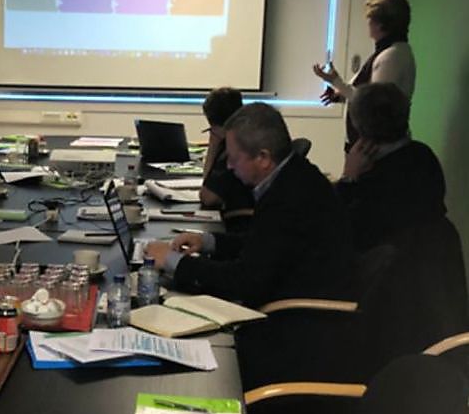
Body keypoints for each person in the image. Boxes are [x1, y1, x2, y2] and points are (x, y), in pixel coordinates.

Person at [145, 103, 354, 308]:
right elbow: (264, 243)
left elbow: (244, 281)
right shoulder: (295, 175)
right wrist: (208, 241)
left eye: (234, 158)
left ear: (263, 158)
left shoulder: (287, 199)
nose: (229, 166)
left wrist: (174, 261)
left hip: (290, 313)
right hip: (289, 291)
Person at [336, 82, 446, 251]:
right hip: (441, 255)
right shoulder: (424, 154)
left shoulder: (370, 178)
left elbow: (338, 227)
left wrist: (348, 177)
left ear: (358, 125)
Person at [313, 0, 416, 149]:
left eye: (370, 19)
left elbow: (371, 105)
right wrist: (340, 94)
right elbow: (367, 94)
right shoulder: (393, 51)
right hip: (374, 145)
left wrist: (336, 81)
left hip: (376, 148)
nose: (367, 23)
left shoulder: (391, 57)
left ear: (380, 24)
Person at [198, 87, 255, 222]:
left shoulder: (233, 149)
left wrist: (213, 143)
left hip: (240, 223)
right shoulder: (251, 136)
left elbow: (208, 197)